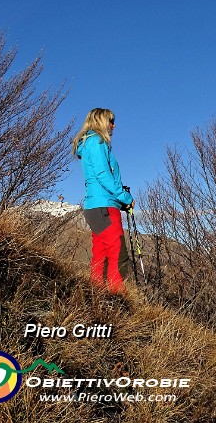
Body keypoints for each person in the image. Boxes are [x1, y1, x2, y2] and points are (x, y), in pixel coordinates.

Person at [71, 108, 134, 294]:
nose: (114, 125)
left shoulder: (90, 144)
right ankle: (117, 297)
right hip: (104, 206)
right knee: (117, 252)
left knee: (101, 252)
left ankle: (96, 294)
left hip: (96, 206)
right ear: (100, 121)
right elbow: (103, 175)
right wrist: (125, 197)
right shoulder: (97, 142)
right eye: (111, 120)